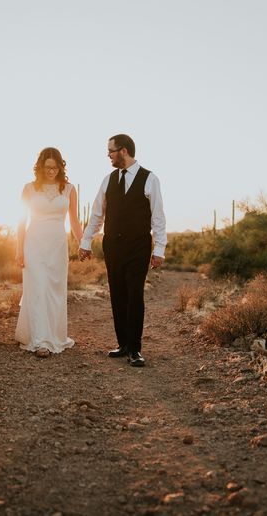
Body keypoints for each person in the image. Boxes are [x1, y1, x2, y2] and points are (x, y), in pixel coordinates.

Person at [79, 134, 166, 367]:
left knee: (134, 293)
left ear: (124, 151)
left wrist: (159, 248)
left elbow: (158, 217)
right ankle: (123, 344)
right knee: (117, 293)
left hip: (138, 246)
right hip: (113, 246)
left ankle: (135, 349)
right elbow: (97, 214)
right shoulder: (108, 180)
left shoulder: (150, 179)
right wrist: (86, 241)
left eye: (111, 150)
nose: (108, 155)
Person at [15, 147, 83, 357]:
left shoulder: (69, 189)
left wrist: (83, 243)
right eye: (47, 167)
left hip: (57, 245)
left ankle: (55, 335)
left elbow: (74, 220)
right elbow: (21, 221)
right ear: (40, 167)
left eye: (55, 167)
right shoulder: (29, 188)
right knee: (38, 288)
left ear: (61, 167)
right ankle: (41, 341)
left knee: (54, 290)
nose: (51, 171)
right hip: (34, 243)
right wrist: (19, 249)